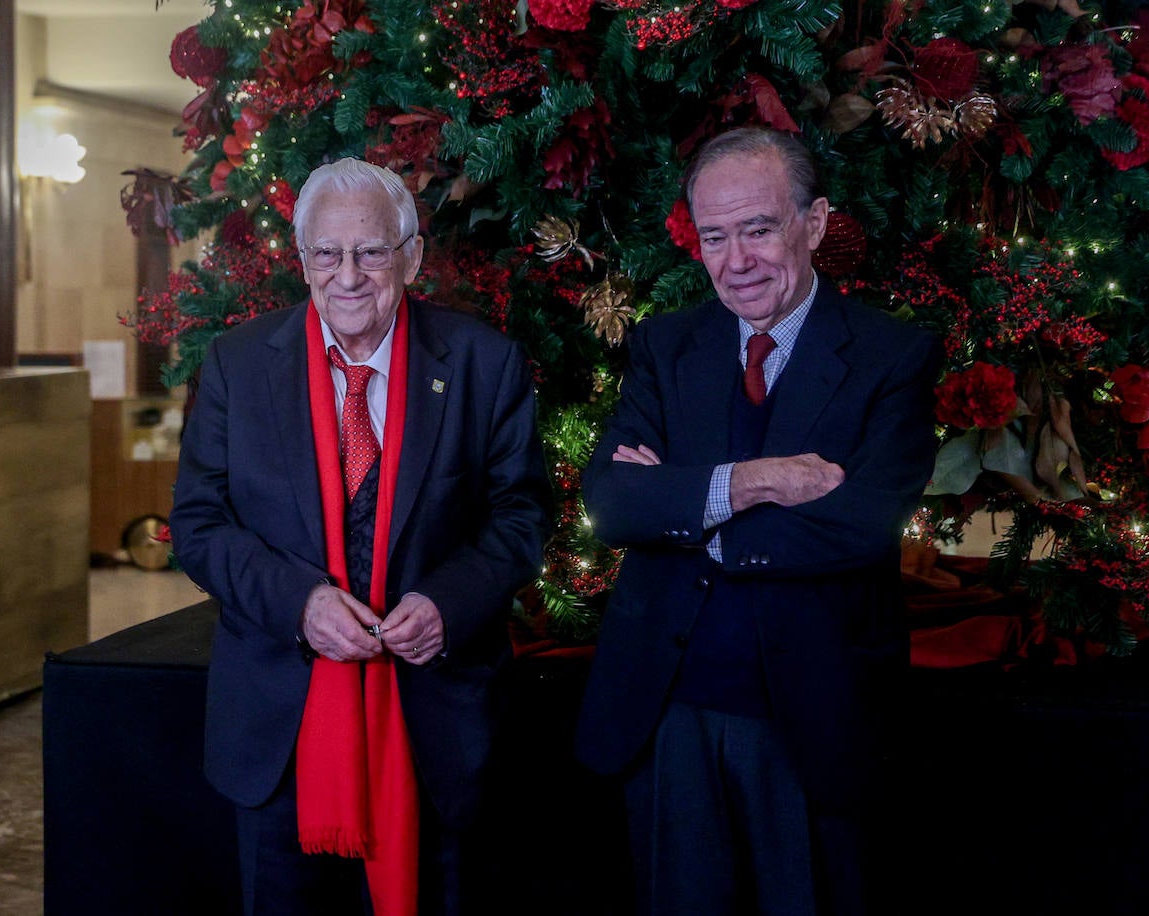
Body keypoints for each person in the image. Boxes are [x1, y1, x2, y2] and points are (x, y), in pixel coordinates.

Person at [574, 127, 943, 916]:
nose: (736, 260)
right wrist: (755, 483)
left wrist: (682, 510)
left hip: (811, 716)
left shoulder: (891, 356)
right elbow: (610, 503)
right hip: (665, 711)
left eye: (758, 228)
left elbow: (861, 523)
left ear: (812, 225)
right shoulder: (665, 347)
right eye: (714, 236)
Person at [170, 157, 552, 915]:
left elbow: (521, 517)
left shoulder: (484, 363)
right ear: (303, 259)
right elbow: (199, 524)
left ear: (409, 256)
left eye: (371, 251)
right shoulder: (237, 365)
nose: (348, 275)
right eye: (328, 254)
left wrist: (447, 604)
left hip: (435, 726)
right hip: (279, 734)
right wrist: (298, 603)